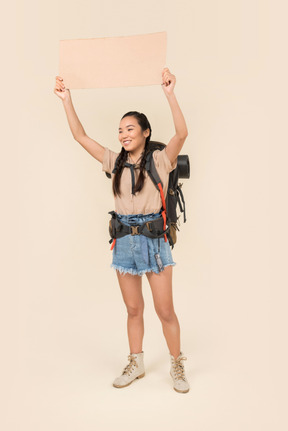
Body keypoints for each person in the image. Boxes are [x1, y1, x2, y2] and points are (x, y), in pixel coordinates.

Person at [54, 67, 190, 393]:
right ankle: (136, 361)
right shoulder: (113, 161)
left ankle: (176, 363)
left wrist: (170, 95)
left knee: (165, 310)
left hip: (154, 241)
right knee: (133, 309)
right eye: (119, 130)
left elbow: (181, 135)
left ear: (145, 132)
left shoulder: (160, 160)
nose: (123, 134)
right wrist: (66, 100)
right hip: (124, 241)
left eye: (130, 128)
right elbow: (80, 136)